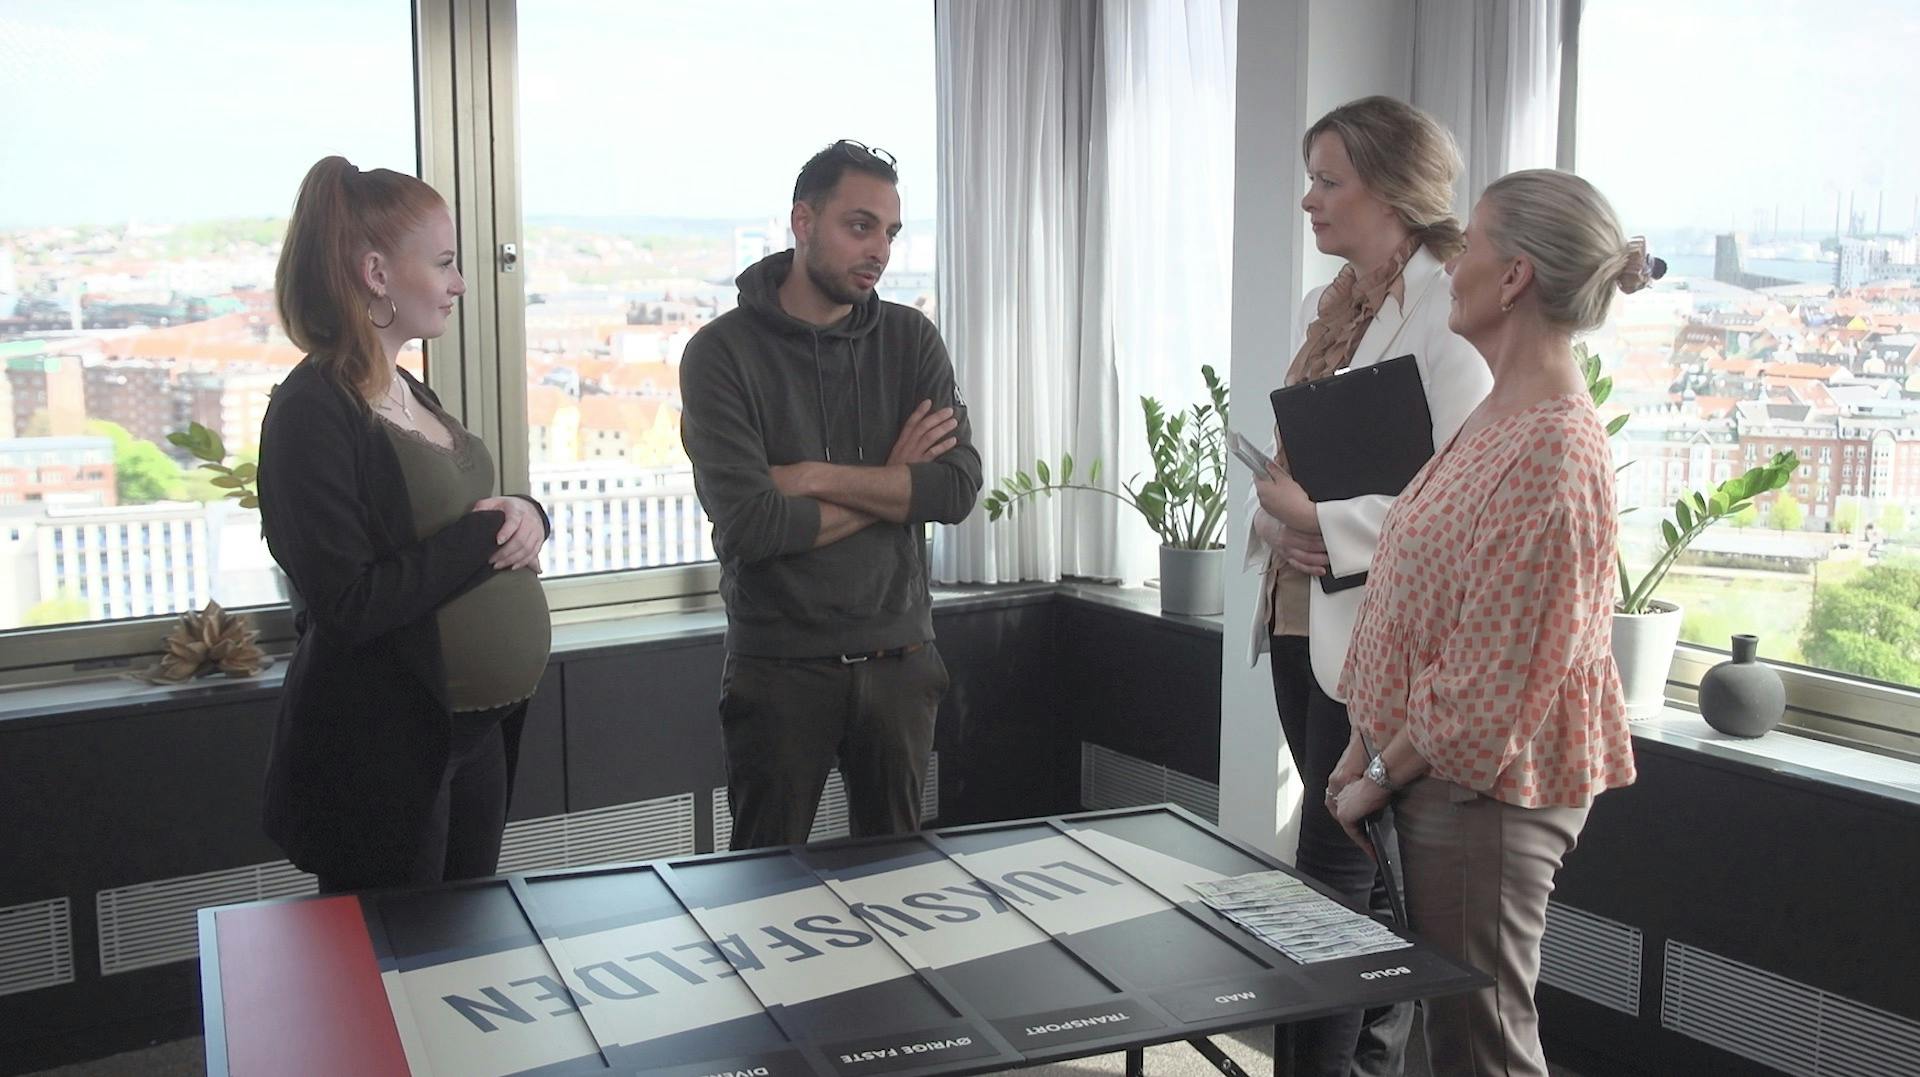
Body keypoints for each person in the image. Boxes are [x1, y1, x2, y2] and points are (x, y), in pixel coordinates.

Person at [1330, 169, 1643, 1076]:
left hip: (1486, 795)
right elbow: (1418, 605)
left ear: (1513, 278)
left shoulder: (1554, 444)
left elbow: (1491, 677)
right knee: (1455, 1037)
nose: (1452, 263)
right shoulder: (1502, 410)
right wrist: (1366, 748)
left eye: (1467, 244)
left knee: (1482, 1047)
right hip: (1442, 779)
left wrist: (1378, 772)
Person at [1243, 96, 1492, 1077]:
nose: (1308, 198)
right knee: (1340, 865)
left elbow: (1462, 498)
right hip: (1300, 612)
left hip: (1386, 633)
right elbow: (1284, 477)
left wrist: (1322, 526)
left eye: (1327, 179)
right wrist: (1284, 521)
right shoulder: (1327, 308)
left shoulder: (1452, 309)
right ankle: (1352, 1065)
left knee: (1334, 869)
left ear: (1390, 189)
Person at [258, 155, 552, 894]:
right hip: (385, 747)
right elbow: (349, 601)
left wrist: (529, 514)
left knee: (460, 966)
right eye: (445, 263)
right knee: (392, 980)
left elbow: (454, 511)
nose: (459, 282)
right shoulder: (311, 411)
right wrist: (487, 539)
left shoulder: (404, 387)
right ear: (377, 274)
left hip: (475, 732)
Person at [679, 140, 980, 851]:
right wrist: (891, 481)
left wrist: (811, 475)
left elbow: (956, 486)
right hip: (779, 666)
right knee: (760, 892)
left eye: (891, 232)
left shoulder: (910, 339)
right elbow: (752, 524)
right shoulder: (720, 354)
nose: (880, 250)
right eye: (860, 225)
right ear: (803, 221)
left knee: (900, 893)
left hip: (901, 658)